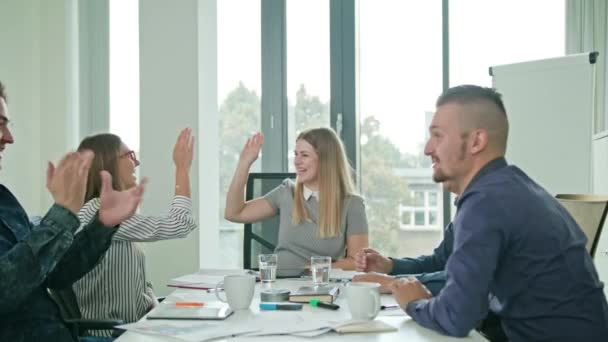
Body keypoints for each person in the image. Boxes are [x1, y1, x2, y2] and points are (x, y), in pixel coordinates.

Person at [371, 85, 608, 341]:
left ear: (476, 141)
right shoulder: (509, 187)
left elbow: (456, 315)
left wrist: (414, 303)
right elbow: (458, 278)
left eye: (437, 136)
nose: (428, 149)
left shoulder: (486, 202)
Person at [0, 80, 147, 341]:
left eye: (7, 124)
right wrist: (62, 216)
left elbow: (55, 275)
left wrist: (102, 225)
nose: (9, 138)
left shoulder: (4, 200)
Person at [72, 129, 197, 331]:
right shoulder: (97, 211)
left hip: (136, 329)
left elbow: (140, 286)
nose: (136, 163)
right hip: (111, 335)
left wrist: (158, 310)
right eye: (130, 156)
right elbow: (179, 223)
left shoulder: (114, 213)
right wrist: (182, 169)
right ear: (108, 163)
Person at [224, 127, 368, 270]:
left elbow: (357, 262)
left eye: (304, 155)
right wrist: (244, 163)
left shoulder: (352, 204)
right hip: (277, 285)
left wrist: (313, 268)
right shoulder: (286, 192)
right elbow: (234, 213)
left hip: (320, 287)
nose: (297, 161)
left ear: (326, 160)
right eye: (296, 154)